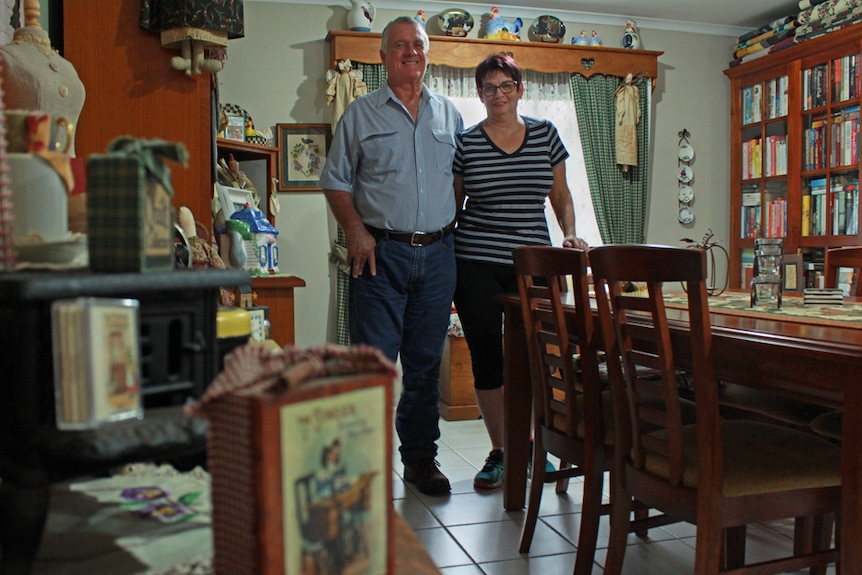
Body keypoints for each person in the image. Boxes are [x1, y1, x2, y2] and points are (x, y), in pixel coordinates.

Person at [318, 16, 463, 496]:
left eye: (417, 44)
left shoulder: (451, 115)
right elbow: (335, 180)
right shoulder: (360, 114)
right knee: (372, 365)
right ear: (382, 57)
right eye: (399, 45)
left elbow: (459, 183)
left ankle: (421, 462)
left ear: (427, 54)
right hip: (379, 256)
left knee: (423, 367)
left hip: (438, 255)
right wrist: (355, 231)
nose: (410, 52)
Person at [452, 53, 589, 490]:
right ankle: (501, 451)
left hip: (533, 264)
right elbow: (453, 206)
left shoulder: (546, 134)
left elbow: (561, 194)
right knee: (487, 356)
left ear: (519, 89)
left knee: (538, 356)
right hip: (475, 262)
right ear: (480, 94)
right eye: (489, 88)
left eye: (505, 85)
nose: (498, 95)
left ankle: (535, 446)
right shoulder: (467, 143)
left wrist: (570, 233)